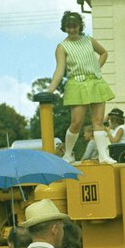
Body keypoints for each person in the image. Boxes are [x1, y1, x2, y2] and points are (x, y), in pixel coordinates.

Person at [48, 11, 116, 165]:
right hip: (76, 84)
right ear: (64, 28)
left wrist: (97, 68)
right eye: (68, 27)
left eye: (74, 26)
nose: (72, 29)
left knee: (98, 121)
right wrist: (50, 89)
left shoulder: (88, 40)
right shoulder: (62, 47)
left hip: (95, 82)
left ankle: (103, 156)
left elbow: (104, 53)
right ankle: (67, 154)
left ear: (80, 26)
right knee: (76, 122)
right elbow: (60, 69)